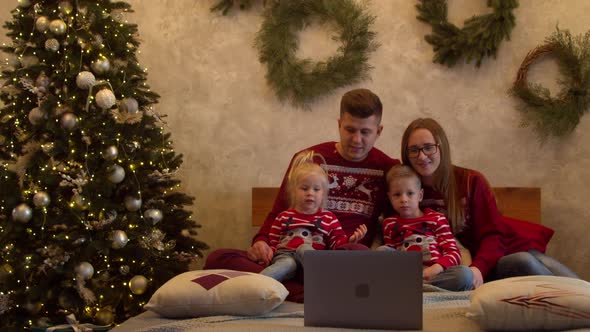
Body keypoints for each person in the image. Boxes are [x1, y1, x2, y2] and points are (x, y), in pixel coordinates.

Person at [204, 88, 399, 301]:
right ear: (339, 125)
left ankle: (279, 288)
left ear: (378, 131)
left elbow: (397, 222)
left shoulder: (387, 168)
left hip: (340, 260)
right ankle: (319, 292)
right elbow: (278, 213)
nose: (356, 139)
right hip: (290, 257)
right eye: (350, 130)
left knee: (360, 252)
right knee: (218, 257)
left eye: (365, 132)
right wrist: (261, 242)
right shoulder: (308, 159)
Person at [400, 117, 579, 289]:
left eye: (428, 147)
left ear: (442, 148)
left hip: (492, 257)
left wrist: (478, 268)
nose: (422, 156)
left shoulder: (470, 181)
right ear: (406, 154)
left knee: (569, 281)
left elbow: (493, 235)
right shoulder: (406, 191)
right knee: (523, 261)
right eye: (414, 150)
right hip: (466, 268)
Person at [261, 151, 367, 281]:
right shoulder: (283, 216)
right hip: (285, 257)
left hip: (312, 260)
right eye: (304, 188)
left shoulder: (329, 218)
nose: (310, 193)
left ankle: (324, 277)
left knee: (304, 248)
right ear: (293, 191)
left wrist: (350, 241)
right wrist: (268, 253)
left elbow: (336, 243)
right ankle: (256, 282)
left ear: (323, 193)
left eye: (316, 189)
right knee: (287, 264)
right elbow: (273, 240)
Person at [378, 164, 472, 291]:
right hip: (406, 274)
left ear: (420, 195)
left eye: (410, 193)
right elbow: (392, 255)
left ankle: (418, 288)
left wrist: (435, 269)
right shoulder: (389, 223)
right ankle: (418, 288)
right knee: (381, 251)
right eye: (397, 195)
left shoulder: (437, 219)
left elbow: (453, 253)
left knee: (464, 275)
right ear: (389, 197)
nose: (404, 199)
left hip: (436, 274)